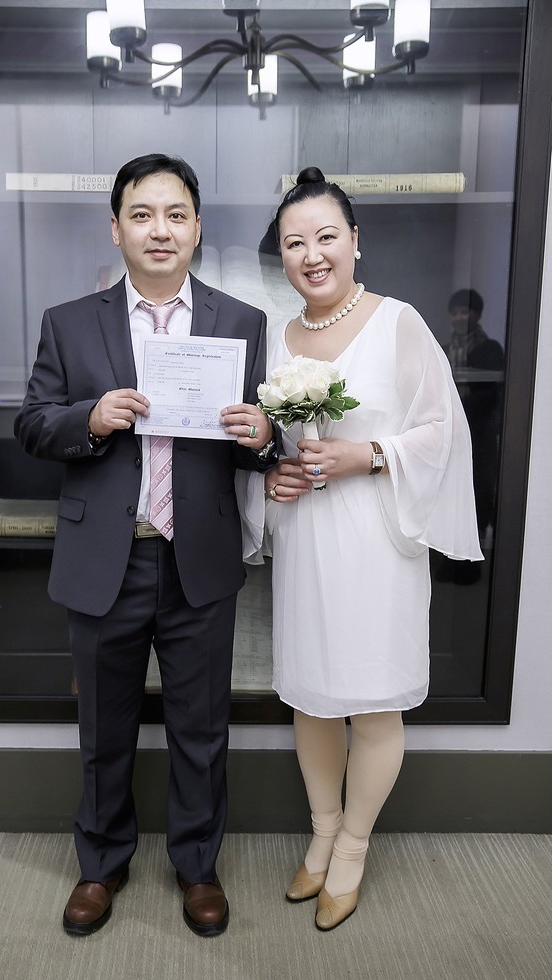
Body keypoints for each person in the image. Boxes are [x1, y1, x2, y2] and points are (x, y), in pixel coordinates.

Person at [14, 153, 278, 938]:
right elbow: (33, 424)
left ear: (197, 228)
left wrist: (264, 437)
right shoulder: (69, 322)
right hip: (108, 557)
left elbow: (257, 444)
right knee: (104, 728)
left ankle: (198, 867)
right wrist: (89, 421)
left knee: (202, 729)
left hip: (198, 557)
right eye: (142, 214)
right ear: (118, 227)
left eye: (174, 215)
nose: (159, 230)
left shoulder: (240, 322)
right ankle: (101, 864)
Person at [238, 167, 483, 931]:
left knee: (372, 703)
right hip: (309, 541)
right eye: (293, 242)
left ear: (355, 242)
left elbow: (443, 430)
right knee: (311, 697)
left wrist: (368, 455)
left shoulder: (398, 321)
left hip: (377, 541)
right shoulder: (278, 337)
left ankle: (352, 847)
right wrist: (275, 473)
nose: (311, 254)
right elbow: (273, 442)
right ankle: (319, 834)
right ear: (280, 255)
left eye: (325, 237)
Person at [440, 288, 505, 570]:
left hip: (479, 436)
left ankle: (470, 566)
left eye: (464, 311)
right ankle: (445, 562)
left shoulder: (490, 349)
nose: (459, 317)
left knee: (477, 491)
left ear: (476, 315)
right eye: (454, 312)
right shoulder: (443, 349)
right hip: (447, 435)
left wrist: (459, 403)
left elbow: (489, 395)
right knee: (446, 495)